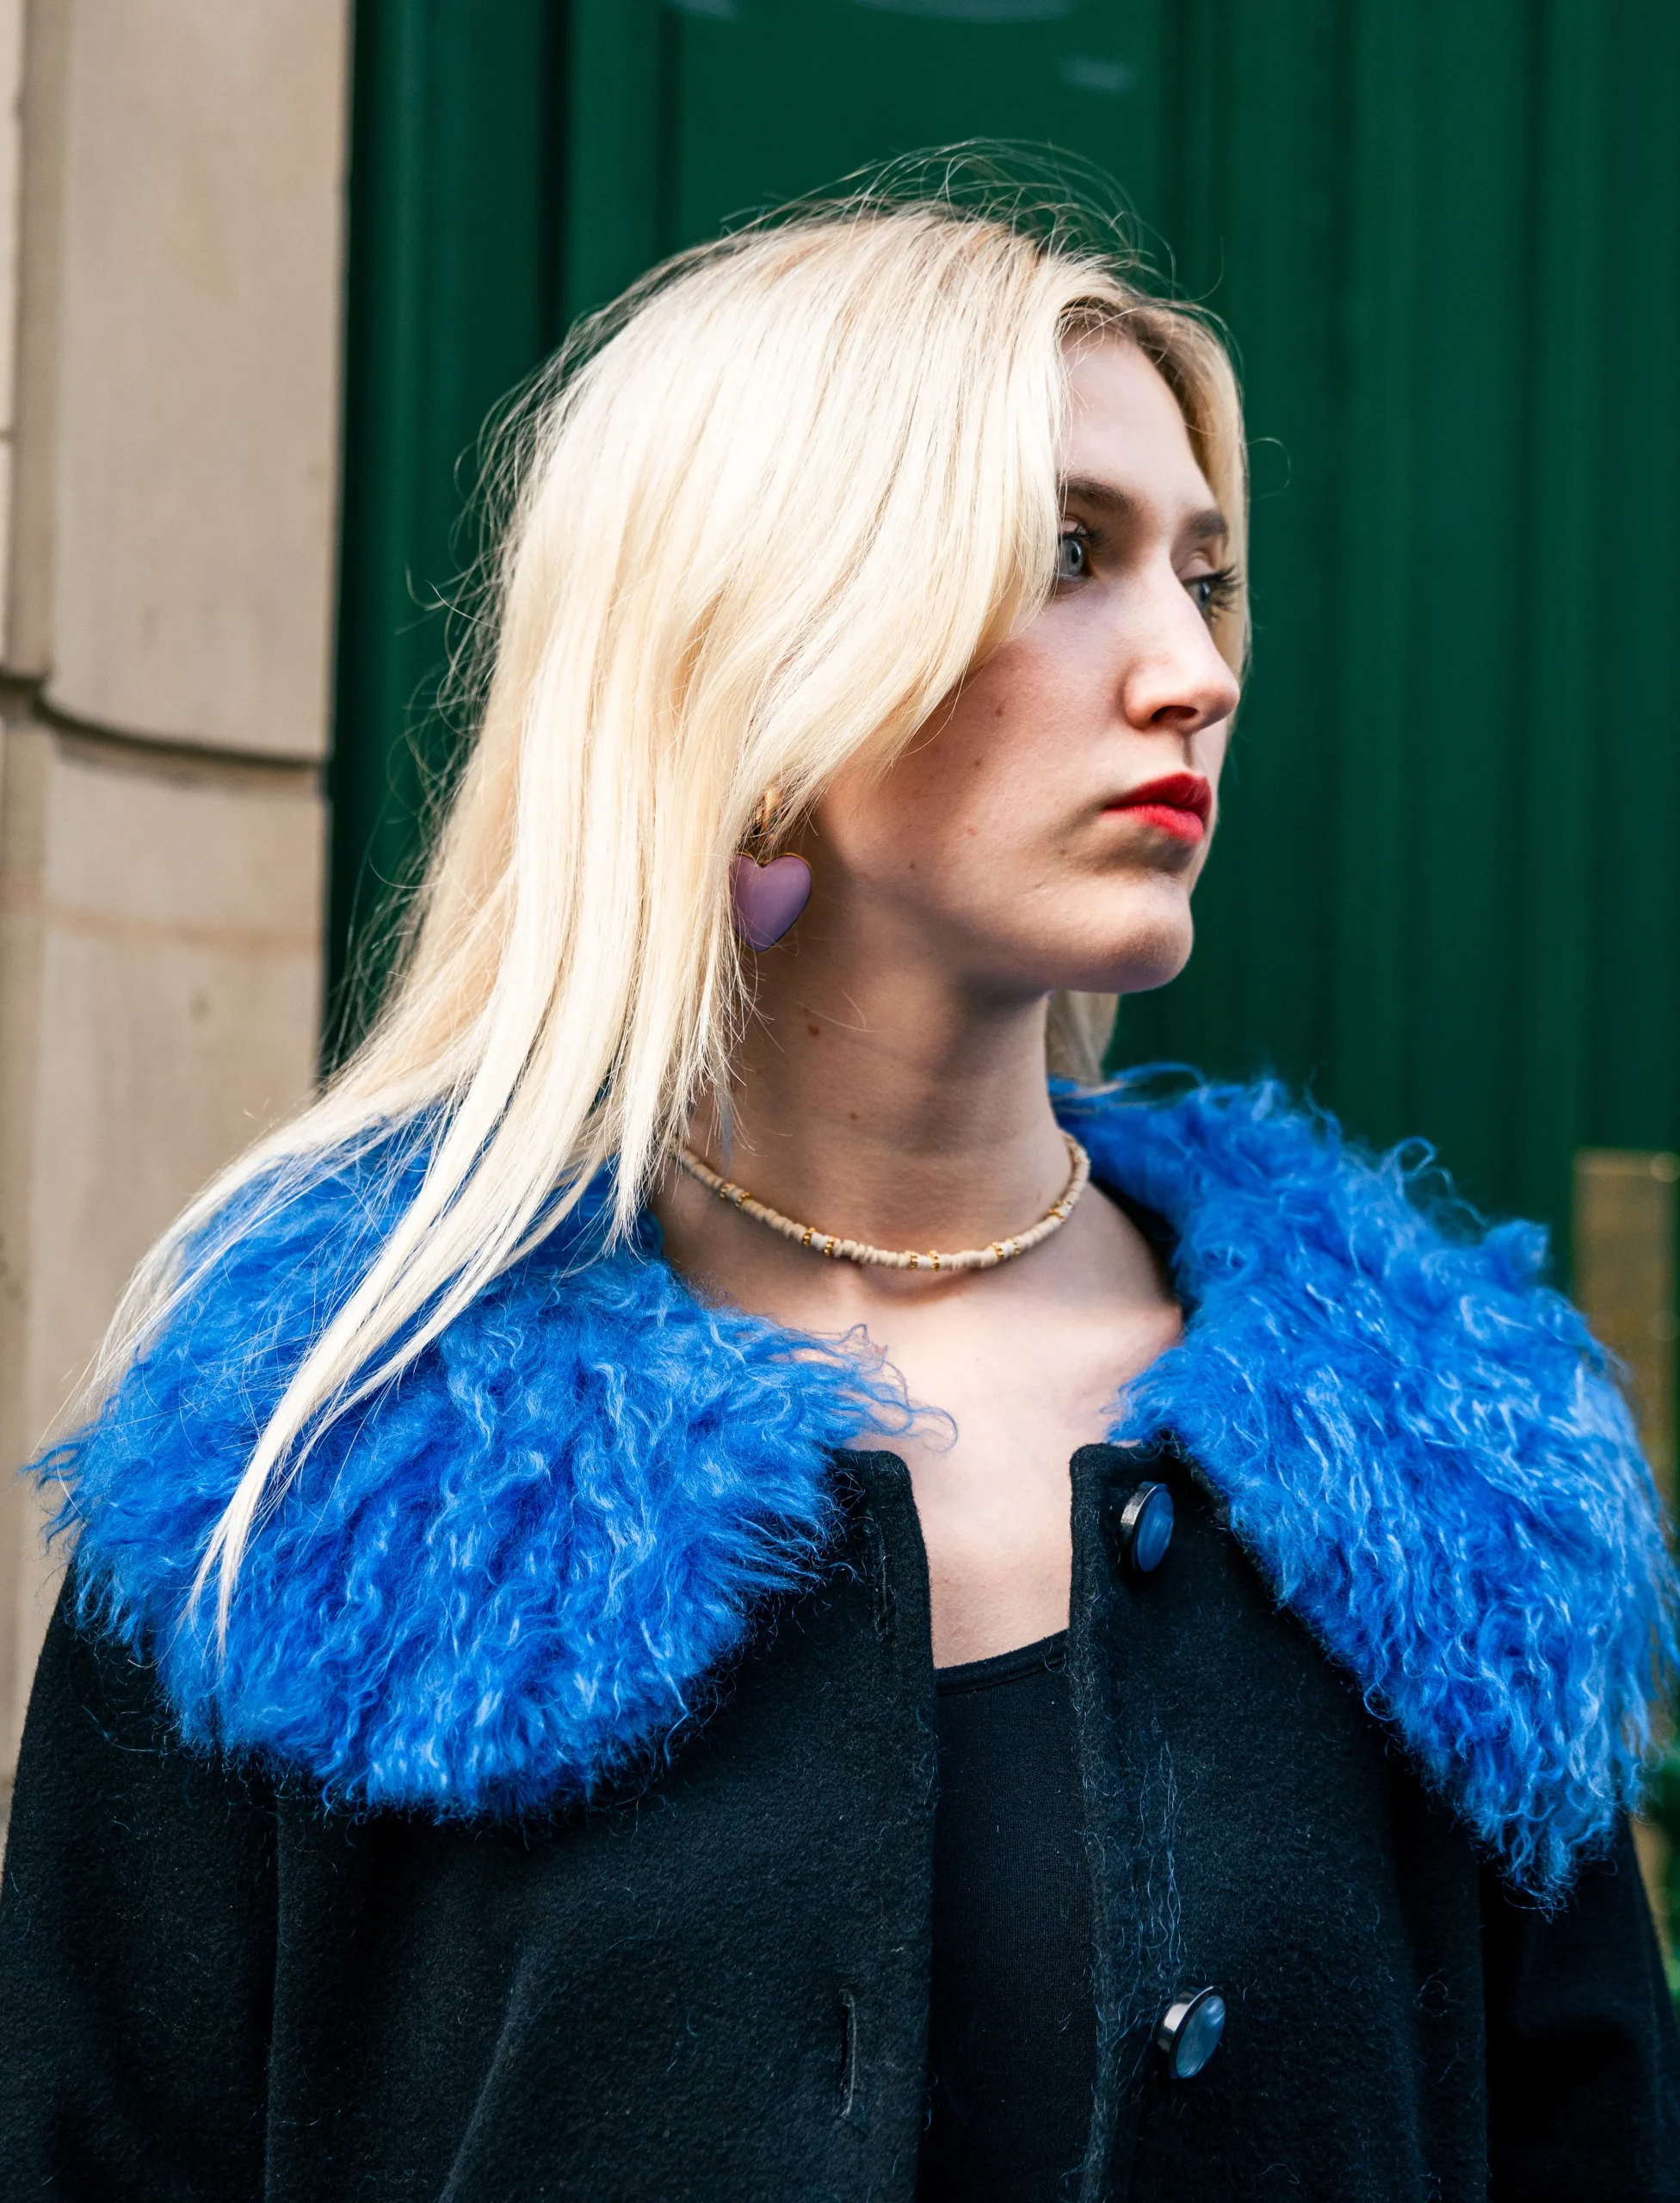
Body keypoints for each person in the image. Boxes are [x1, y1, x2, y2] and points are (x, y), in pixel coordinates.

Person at [0, 177, 1674, 2203]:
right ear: (766, 653)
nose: (1192, 667)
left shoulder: (1440, 1477)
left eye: (1204, 573)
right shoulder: (321, 1457)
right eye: (1067, 554)